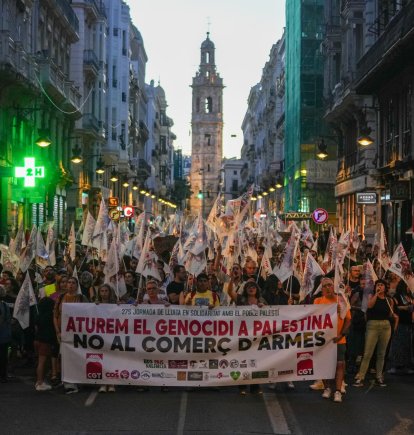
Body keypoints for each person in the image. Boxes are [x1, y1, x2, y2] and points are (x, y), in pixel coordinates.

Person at [353, 279, 397, 388]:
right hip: (372, 325)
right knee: (368, 353)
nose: (380, 286)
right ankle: (360, 377)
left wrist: (394, 317)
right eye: (378, 285)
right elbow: (369, 306)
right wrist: (376, 294)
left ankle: (379, 376)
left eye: (382, 285)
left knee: (381, 353)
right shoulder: (371, 297)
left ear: (385, 287)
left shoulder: (389, 300)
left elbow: (391, 314)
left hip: (385, 326)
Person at [314, 277, 351, 403]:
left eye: (330, 285)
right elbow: (313, 320)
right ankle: (327, 388)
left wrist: (341, 335)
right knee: (324, 365)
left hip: (338, 339)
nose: (328, 288)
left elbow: (348, 319)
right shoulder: (317, 301)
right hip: (323, 340)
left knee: (339, 365)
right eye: (325, 286)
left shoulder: (341, 300)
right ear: (321, 289)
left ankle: (338, 391)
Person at [228, 280, 267, 395]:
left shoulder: (261, 301)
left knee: (256, 361)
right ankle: (242, 386)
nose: (251, 288)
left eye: (253, 286)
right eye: (249, 287)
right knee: (243, 361)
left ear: (257, 290)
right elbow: (230, 291)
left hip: (256, 337)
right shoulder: (241, 299)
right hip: (243, 335)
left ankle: (255, 386)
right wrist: (231, 279)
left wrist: (263, 307)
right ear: (245, 289)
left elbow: (271, 313)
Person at [54, 276, 87, 394]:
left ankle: (75, 382)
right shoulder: (61, 297)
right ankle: (65, 381)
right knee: (62, 357)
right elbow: (55, 315)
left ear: (77, 286)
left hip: (77, 334)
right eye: (69, 282)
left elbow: (89, 314)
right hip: (63, 333)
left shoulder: (82, 298)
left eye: (73, 283)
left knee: (76, 357)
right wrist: (58, 331)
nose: (70, 284)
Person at [95, 284, 117, 393]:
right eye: (102, 291)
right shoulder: (95, 305)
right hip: (100, 336)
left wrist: (119, 307)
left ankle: (111, 383)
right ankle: (103, 383)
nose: (104, 293)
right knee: (102, 359)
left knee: (111, 360)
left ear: (110, 292)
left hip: (112, 336)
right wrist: (95, 307)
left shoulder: (115, 305)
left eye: (106, 291)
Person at [34, 294, 58, 391]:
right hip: (45, 341)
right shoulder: (50, 316)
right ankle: (40, 382)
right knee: (42, 363)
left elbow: (36, 328)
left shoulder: (39, 315)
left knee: (40, 362)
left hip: (37, 340)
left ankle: (40, 381)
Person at [0, 285, 11, 383]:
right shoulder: (5, 305)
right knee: (3, 356)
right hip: (5, 335)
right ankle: (3, 375)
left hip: (2, 335)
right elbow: (8, 320)